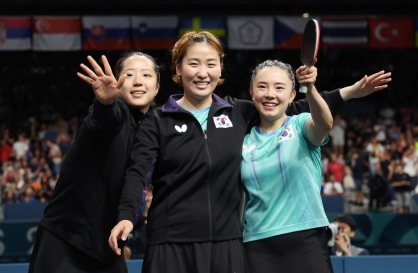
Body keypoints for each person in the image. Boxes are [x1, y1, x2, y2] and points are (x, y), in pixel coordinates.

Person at [109, 31, 391, 273]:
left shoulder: (238, 112)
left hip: (226, 245)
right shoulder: (157, 121)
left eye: (211, 63)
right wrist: (126, 216)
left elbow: (287, 106)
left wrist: (350, 92)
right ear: (178, 68)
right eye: (193, 63)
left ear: (220, 69)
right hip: (170, 244)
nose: (202, 72)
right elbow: (138, 173)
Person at [28, 52, 160, 273]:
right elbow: (101, 120)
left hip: (109, 247)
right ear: (118, 83)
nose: (138, 80)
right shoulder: (116, 115)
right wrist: (105, 103)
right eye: (129, 74)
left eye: (146, 75)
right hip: (66, 242)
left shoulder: (153, 131)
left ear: (157, 88)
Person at [240, 60, 334, 273]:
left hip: (306, 238)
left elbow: (324, 124)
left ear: (292, 95)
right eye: (262, 86)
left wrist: (310, 89)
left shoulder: (300, 124)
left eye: (279, 87)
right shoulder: (243, 141)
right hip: (256, 244)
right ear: (252, 93)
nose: (270, 94)